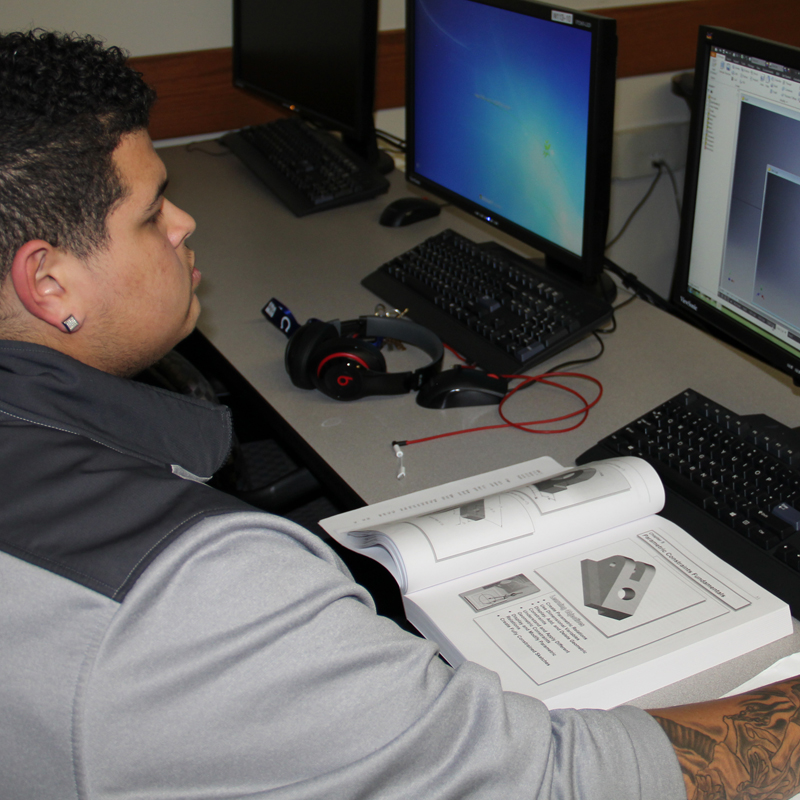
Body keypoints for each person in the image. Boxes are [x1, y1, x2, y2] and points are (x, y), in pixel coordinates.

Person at [0, 29, 798, 800]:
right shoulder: (199, 593)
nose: (184, 224)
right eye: (151, 214)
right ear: (49, 283)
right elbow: (559, 782)